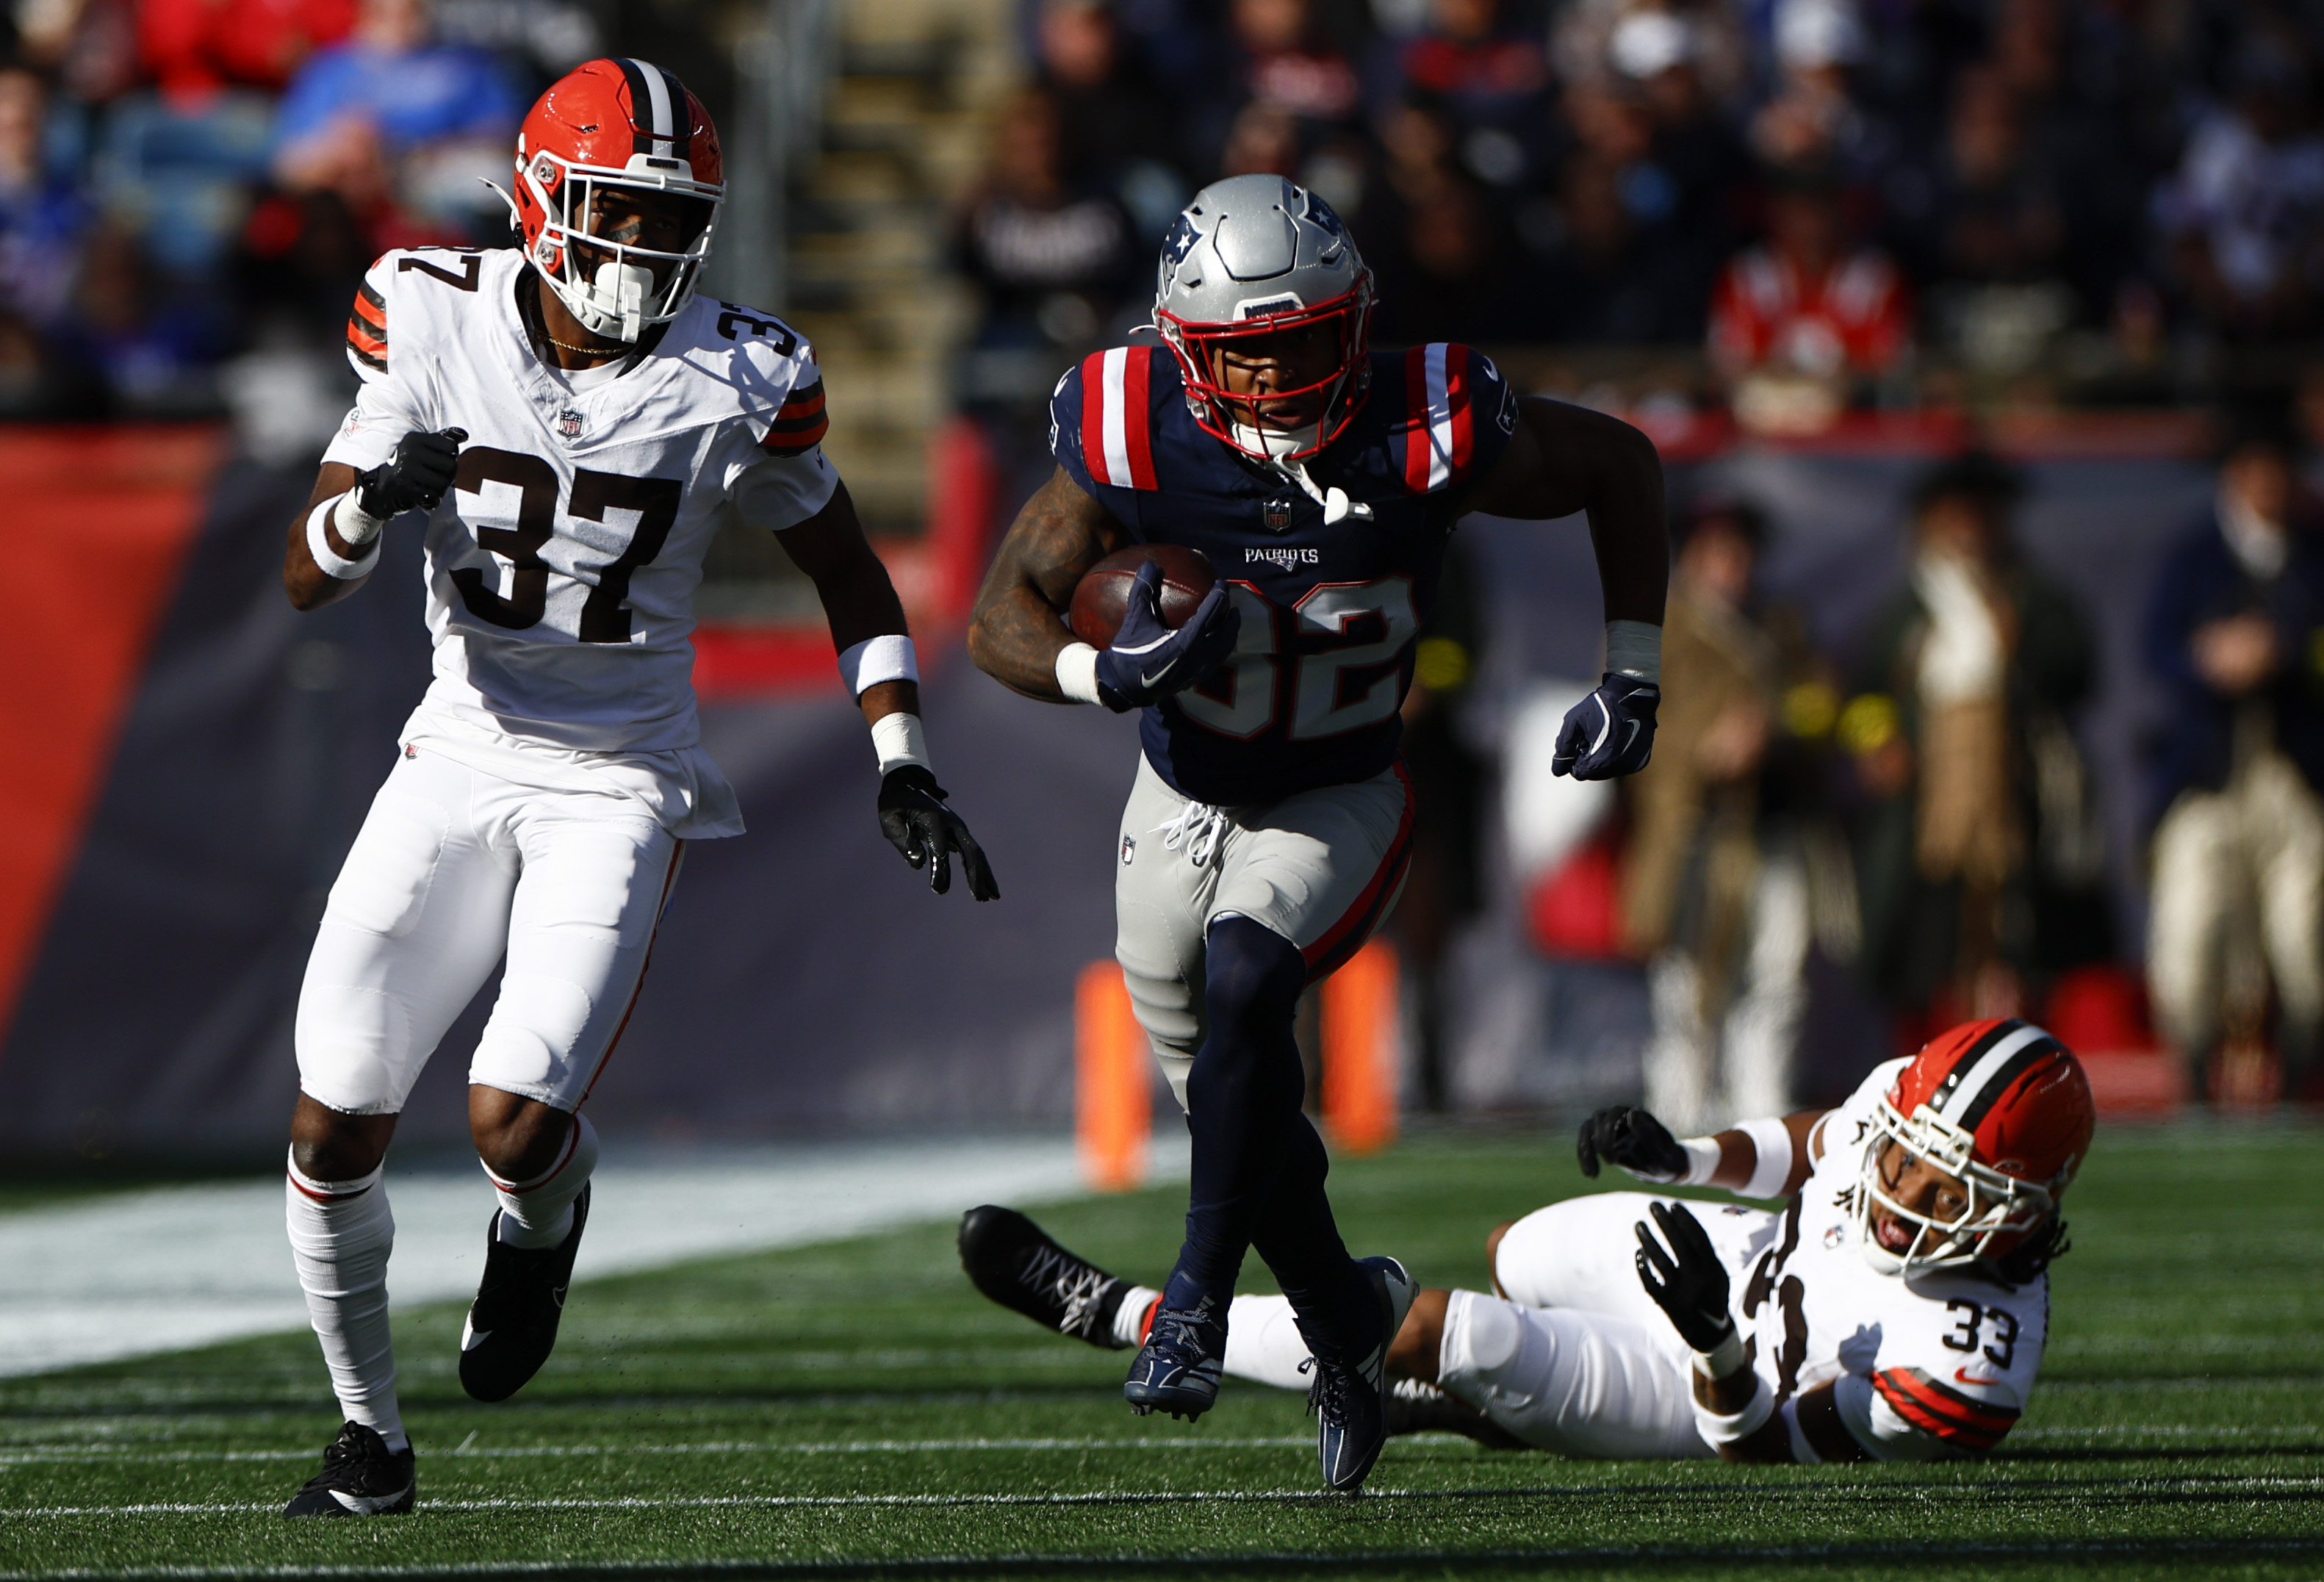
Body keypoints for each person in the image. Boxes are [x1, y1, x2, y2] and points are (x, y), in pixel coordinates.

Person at [276, 57, 998, 1520]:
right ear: (539, 199)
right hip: (456, 748)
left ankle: (541, 1226)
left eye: (669, 221)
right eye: (615, 211)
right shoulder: (426, 310)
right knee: (331, 1120)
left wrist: (902, 756)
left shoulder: (744, 370)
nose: (642, 248)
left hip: (617, 778)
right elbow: (304, 574)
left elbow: (850, 573)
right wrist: (368, 504)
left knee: (511, 1119)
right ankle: (369, 1441)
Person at [965, 171, 1667, 1492]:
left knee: (1248, 978)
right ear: (1182, 347)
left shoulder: (1427, 416)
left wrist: (1630, 670)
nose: (1281, 377)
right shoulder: (1128, 421)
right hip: (1179, 792)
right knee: (1238, 1112)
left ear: (1356, 319)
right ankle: (1347, 1326)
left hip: (1339, 786)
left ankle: (1188, 1299)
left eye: (1306, 340)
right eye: (1248, 353)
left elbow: (1617, 464)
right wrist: (1097, 673)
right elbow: (1001, 609)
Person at [962, 1018, 2093, 1463]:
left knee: (1425, 1330)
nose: (1896, 1189)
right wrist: (1685, 1158)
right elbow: (1824, 1143)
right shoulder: (1898, 1109)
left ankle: (1120, 1315)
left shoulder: (1962, 1369)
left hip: (1724, 1382)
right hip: (1753, 1267)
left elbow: (1756, 1452)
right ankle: (1468, 1408)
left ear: (2019, 1207)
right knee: (1516, 1253)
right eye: (1902, 1155)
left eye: (1938, 1183)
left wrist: (1709, 1339)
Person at [2143, 424, 2324, 1104]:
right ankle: (2193, 1076)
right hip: (2209, 775)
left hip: (2296, 776)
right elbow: (2154, 647)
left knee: (2304, 934)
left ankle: (2296, 1077)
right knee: (2191, 926)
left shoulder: (2312, 555)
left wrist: (2285, 651)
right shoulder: (2195, 555)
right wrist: (2207, 658)